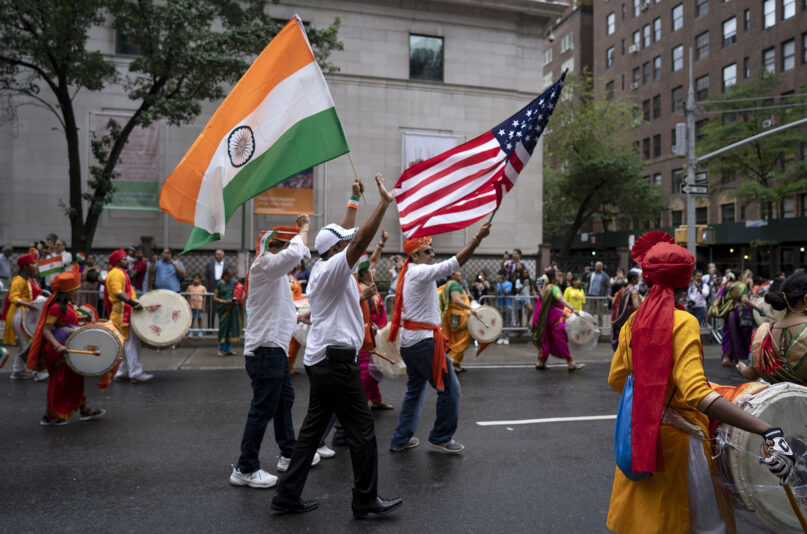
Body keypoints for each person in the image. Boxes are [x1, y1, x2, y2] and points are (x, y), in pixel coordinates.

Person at [606, 231, 795, 534]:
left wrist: (657, 390)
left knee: (647, 523)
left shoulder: (634, 321)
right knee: (699, 526)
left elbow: (618, 378)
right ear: (685, 281)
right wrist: (766, 429)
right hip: (678, 449)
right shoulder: (684, 322)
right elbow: (697, 394)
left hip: (641, 436)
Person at [272, 174, 402, 518]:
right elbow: (355, 240)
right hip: (335, 362)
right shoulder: (332, 267)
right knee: (362, 430)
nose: (351, 245)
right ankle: (364, 500)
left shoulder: (330, 268)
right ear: (335, 249)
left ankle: (286, 496)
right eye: (345, 244)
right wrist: (383, 203)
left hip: (324, 359)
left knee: (312, 433)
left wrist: (354, 199)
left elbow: (345, 234)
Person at [230, 218, 323, 489]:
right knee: (263, 408)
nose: (285, 251)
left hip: (274, 350)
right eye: (280, 246)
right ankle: (245, 468)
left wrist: (300, 316)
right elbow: (295, 253)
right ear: (270, 248)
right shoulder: (263, 265)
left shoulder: (275, 274)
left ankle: (287, 453)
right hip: (266, 351)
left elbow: (279, 310)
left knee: (283, 401)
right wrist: (304, 228)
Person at [387, 222, 492, 455]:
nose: (432, 254)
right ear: (415, 255)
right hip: (424, 342)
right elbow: (454, 264)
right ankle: (440, 437)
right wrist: (477, 238)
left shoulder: (410, 272)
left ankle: (400, 438)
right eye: (427, 251)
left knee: (415, 391)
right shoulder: (419, 271)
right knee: (450, 390)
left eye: (432, 250)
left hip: (412, 342)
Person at [25, 266, 106, 425]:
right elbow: (47, 330)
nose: (77, 292)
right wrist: (57, 346)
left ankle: (83, 409)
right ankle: (51, 415)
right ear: (68, 292)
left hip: (70, 346)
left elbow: (66, 323)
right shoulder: (55, 307)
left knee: (75, 380)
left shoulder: (67, 304)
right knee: (61, 382)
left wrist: (89, 321)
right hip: (60, 350)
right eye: (75, 289)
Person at [736, 272, 807, 385]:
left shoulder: (761, 333)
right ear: (806, 299)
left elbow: (751, 372)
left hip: (779, 400)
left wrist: (742, 368)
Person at [357, 229, 394, 410]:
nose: (374, 269)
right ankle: (360, 404)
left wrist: (381, 243)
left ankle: (376, 400)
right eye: (371, 269)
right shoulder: (358, 287)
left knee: (376, 368)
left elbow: (372, 260)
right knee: (367, 370)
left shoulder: (369, 285)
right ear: (364, 273)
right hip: (365, 335)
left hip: (377, 335)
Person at [106, 248, 153, 383]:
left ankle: (121, 372)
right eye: (124, 259)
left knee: (123, 345)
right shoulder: (116, 273)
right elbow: (117, 292)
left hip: (122, 314)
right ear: (117, 261)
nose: (127, 261)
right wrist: (133, 303)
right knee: (131, 344)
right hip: (122, 315)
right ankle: (135, 373)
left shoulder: (120, 273)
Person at [531, 268, 586, 372]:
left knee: (547, 338)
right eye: (557, 276)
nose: (560, 277)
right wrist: (573, 309)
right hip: (554, 318)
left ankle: (541, 362)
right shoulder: (554, 288)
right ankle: (571, 363)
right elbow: (561, 299)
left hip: (544, 318)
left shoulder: (545, 287)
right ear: (553, 279)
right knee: (561, 338)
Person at [2, 252, 45, 380]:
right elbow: (12, 297)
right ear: (25, 266)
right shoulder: (18, 280)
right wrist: (28, 304)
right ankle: (38, 371)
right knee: (28, 344)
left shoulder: (33, 280)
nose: (36, 265)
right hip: (18, 314)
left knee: (24, 344)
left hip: (27, 315)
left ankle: (17, 370)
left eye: (36, 262)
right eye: (33, 263)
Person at [716, 271, 763, 367]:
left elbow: (719, 298)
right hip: (740, 313)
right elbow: (744, 300)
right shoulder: (742, 286)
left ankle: (726, 357)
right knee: (744, 336)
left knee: (728, 334)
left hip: (729, 313)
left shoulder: (726, 286)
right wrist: (758, 308)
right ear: (739, 277)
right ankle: (742, 359)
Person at [439, 271, 478, 374]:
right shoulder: (455, 285)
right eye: (458, 273)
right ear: (452, 275)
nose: (461, 275)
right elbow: (456, 300)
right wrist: (471, 308)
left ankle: (456, 364)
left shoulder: (446, 285)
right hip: (459, 316)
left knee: (454, 340)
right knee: (463, 339)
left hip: (451, 315)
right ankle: (451, 361)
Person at [610, 271, 642, 350]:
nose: (639, 280)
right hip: (630, 319)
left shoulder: (623, 290)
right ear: (634, 280)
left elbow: (615, 302)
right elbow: (636, 306)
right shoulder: (634, 291)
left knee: (623, 341)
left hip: (623, 319)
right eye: (638, 278)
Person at [214, 270, 241, 356]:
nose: (229, 278)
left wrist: (238, 299)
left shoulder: (233, 283)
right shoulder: (219, 284)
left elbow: (239, 291)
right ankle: (219, 349)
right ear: (224, 276)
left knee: (231, 328)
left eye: (231, 276)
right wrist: (224, 301)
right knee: (223, 328)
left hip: (232, 308)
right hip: (223, 308)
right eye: (228, 276)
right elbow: (215, 298)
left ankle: (228, 349)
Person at [204, 249, 233, 329]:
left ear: (223, 256)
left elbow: (231, 276)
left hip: (224, 288)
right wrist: (207, 288)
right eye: (216, 254)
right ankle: (210, 328)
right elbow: (206, 278)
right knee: (211, 310)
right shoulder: (209, 265)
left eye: (219, 254)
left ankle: (224, 328)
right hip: (213, 287)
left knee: (224, 309)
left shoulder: (228, 265)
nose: (217, 256)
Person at [587, 261, 610, 327]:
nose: (598, 267)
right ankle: (591, 328)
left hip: (600, 297)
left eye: (599, 266)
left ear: (602, 267)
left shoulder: (605, 276)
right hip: (591, 297)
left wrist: (608, 294)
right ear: (595, 266)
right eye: (597, 266)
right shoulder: (591, 274)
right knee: (591, 314)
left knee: (600, 314)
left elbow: (608, 286)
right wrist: (585, 273)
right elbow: (585, 279)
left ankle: (600, 329)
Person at [495, 269, 512, 344]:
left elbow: (506, 293)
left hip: (507, 304)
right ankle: (501, 337)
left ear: (504, 275)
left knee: (507, 321)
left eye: (501, 275)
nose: (500, 276)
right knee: (500, 321)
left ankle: (506, 337)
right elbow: (496, 294)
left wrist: (501, 284)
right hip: (500, 304)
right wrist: (496, 285)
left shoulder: (509, 283)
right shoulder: (498, 284)